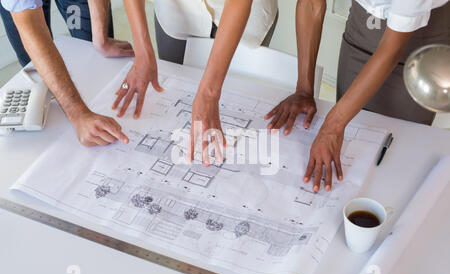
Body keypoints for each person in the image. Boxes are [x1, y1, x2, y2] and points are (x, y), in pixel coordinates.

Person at [265, 0, 450, 192]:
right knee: (351, 151)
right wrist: (304, 90)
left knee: (395, 164)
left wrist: (332, 127)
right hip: (362, 26)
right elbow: (311, 3)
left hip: (417, 40)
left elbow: (392, 48)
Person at [113, 0, 278, 165]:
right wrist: (142, 51)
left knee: (237, 103)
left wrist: (209, 94)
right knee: (179, 96)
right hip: (176, 11)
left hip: (244, 17)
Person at [0, 0, 133, 146]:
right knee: (37, 73)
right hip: (21, 6)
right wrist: (79, 114)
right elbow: (31, 25)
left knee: (91, 54)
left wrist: (101, 39)